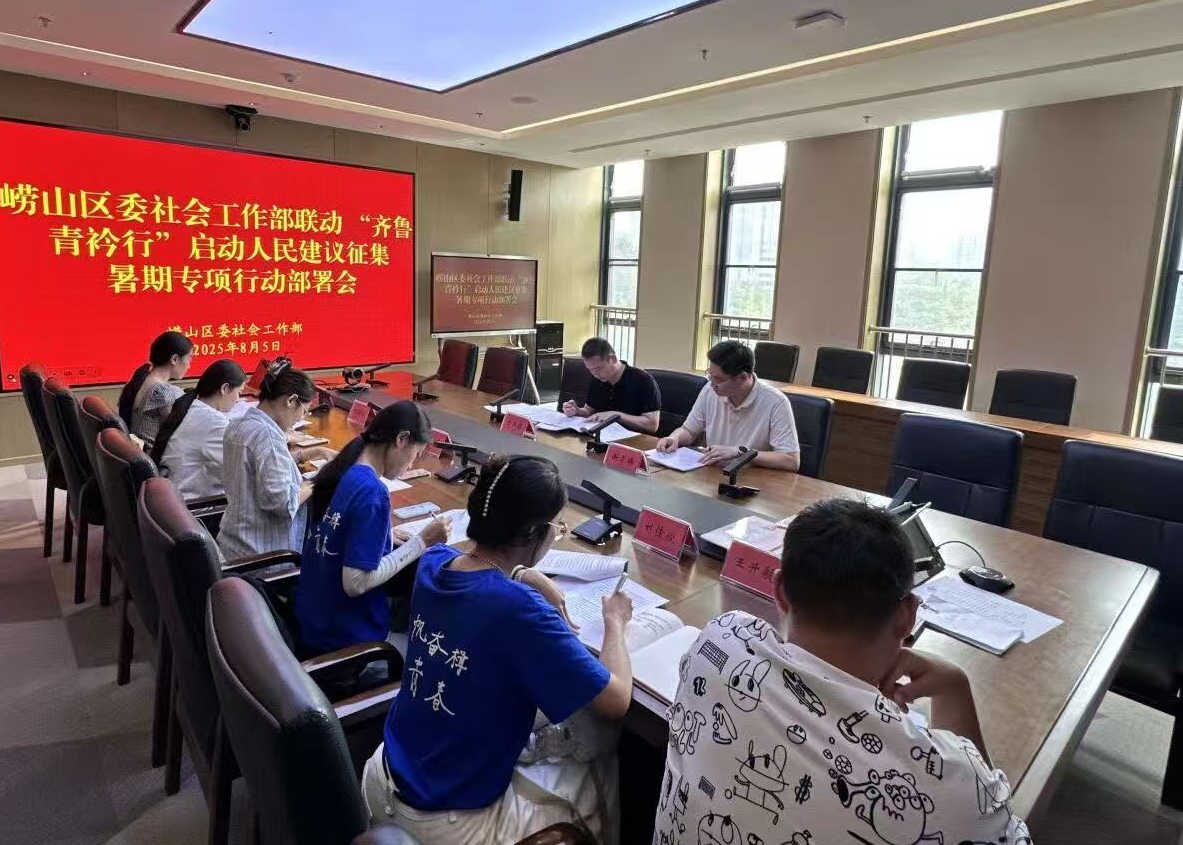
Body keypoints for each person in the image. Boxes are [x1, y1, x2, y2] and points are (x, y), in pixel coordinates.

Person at [655, 498, 1030, 845]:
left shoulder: (721, 639)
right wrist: (955, 688)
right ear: (907, 616)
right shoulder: (947, 783)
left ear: (780, 591)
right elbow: (1000, 828)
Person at [362, 455, 634, 845]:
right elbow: (616, 700)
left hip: (384, 777)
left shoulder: (433, 563)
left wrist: (521, 572)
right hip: (445, 821)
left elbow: (468, 555)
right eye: (556, 527)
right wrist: (615, 623)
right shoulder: (520, 609)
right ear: (536, 534)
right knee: (598, 751)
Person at [296, 401, 451, 653]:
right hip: (346, 641)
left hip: (314, 620)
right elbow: (356, 583)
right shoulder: (372, 491)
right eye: (416, 454)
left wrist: (383, 534)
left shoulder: (346, 471)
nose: (412, 464)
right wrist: (422, 541)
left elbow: (342, 532)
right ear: (401, 439)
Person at [216, 361, 331, 560]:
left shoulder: (238, 424)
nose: (301, 418)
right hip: (263, 557)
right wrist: (318, 479)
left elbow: (261, 465)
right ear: (291, 400)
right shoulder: (268, 437)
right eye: (304, 411)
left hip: (234, 543)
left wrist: (313, 452)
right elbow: (284, 504)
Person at [655, 339, 800, 470]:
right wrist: (675, 438)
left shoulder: (775, 402)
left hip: (751, 478)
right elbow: (689, 430)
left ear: (743, 377)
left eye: (718, 380)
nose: (712, 384)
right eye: (710, 376)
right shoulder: (710, 390)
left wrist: (739, 452)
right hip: (712, 472)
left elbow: (791, 460)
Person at [150, 358, 245, 502]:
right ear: (225, 389)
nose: (238, 399)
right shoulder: (213, 422)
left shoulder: (192, 405)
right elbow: (245, 467)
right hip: (193, 505)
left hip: (173, 498)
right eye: (239, 392)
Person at [561, 337, 662, 434]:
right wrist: (577, 411)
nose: (594, 374)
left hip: (632, 440)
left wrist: (616, 416)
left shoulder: (643, 380)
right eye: (590, 369)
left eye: (597, 369)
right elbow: (589, 411)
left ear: (613, 359)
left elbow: (652, 425)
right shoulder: (597, 378)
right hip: (600, 436)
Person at [117, 331, 194, 443]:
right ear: (174, 359)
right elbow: (181, 434)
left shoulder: (141, 376)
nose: (189, 366)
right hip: (152, 452)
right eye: (189, 359)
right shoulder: (162, 392)